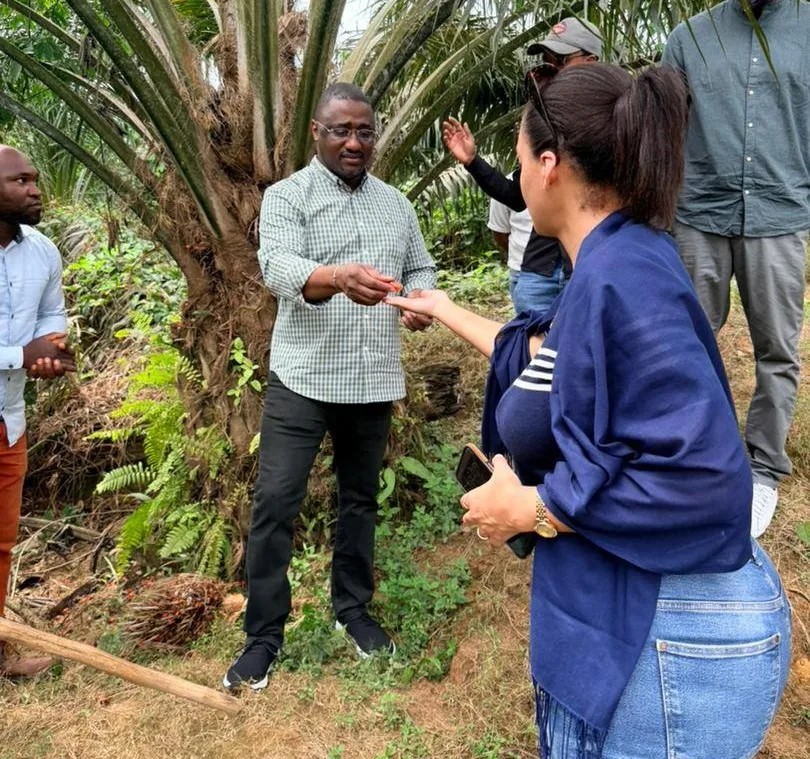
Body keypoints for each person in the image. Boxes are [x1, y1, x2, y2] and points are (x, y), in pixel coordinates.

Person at [388, 63, 790, 759]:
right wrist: (446, 308)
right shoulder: (613, 263)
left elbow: (706, 482)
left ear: (549, 166)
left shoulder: (622, 276)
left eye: (517, 160)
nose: (515, 180)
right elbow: (551, 363)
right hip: (652, 631)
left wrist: (535, 509)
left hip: (672, 638)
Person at [223, 84, 437, 691]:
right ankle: (264, 637)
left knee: (359, 501)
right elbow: (279, 268)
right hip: (305, 378)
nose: (354, 142)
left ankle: (352, 611)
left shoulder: (395, 204)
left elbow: (420, 268)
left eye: (364, 131)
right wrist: (336, 277)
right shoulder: (288, 197)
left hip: (371, 378)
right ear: (316, 132)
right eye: (341, 130)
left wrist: (417, 303)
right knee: (275, 505)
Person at [662, 0, 810, 538]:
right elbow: (662, 128)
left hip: (779, 213)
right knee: (686, 343)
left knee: (778, 350)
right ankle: (692, 452)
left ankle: (764, 468)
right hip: (699, 213)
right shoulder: (688, 38)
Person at [442, 17, 602, 314]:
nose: (549, 68)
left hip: (590, 269)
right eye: (546, 60)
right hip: (538, 272)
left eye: (561, 60)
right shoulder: (542, 119)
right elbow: (517, 196)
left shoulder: (614, 116)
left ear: (591, 61)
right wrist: (472, 162)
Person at [0, 146, 75, 678]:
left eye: (35, 179)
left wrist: (50, 348)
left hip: (9, 422)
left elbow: (51, 314)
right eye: (19, 180)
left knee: (1, 545)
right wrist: (19, 356)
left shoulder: (43, 250)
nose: (34, 189)